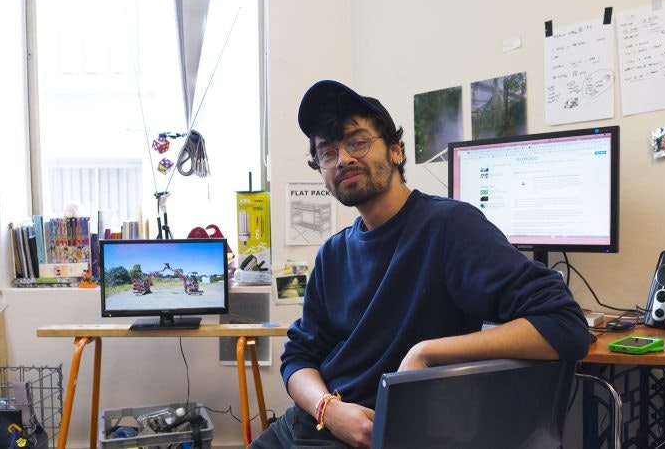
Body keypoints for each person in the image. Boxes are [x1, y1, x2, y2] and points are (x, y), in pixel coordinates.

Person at [250, 80, 590, 448]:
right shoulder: (332, 253)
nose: (343, 159)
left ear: (396, 151)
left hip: (372, 433)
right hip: (310, 423)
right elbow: (299, 356)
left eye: (357, 142)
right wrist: (326, 409)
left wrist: (427, 351)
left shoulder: (449, 227)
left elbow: (565, 325)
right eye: (327, 153)